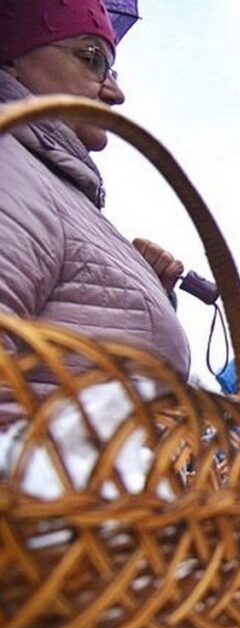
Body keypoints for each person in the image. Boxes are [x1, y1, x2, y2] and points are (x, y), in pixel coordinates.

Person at [0, 0, 189, 421]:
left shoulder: (51, 181)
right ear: (11, 60)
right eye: (91, 59)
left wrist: (140, 285)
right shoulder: (11, 164)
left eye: (112, 70)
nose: (115, 93)